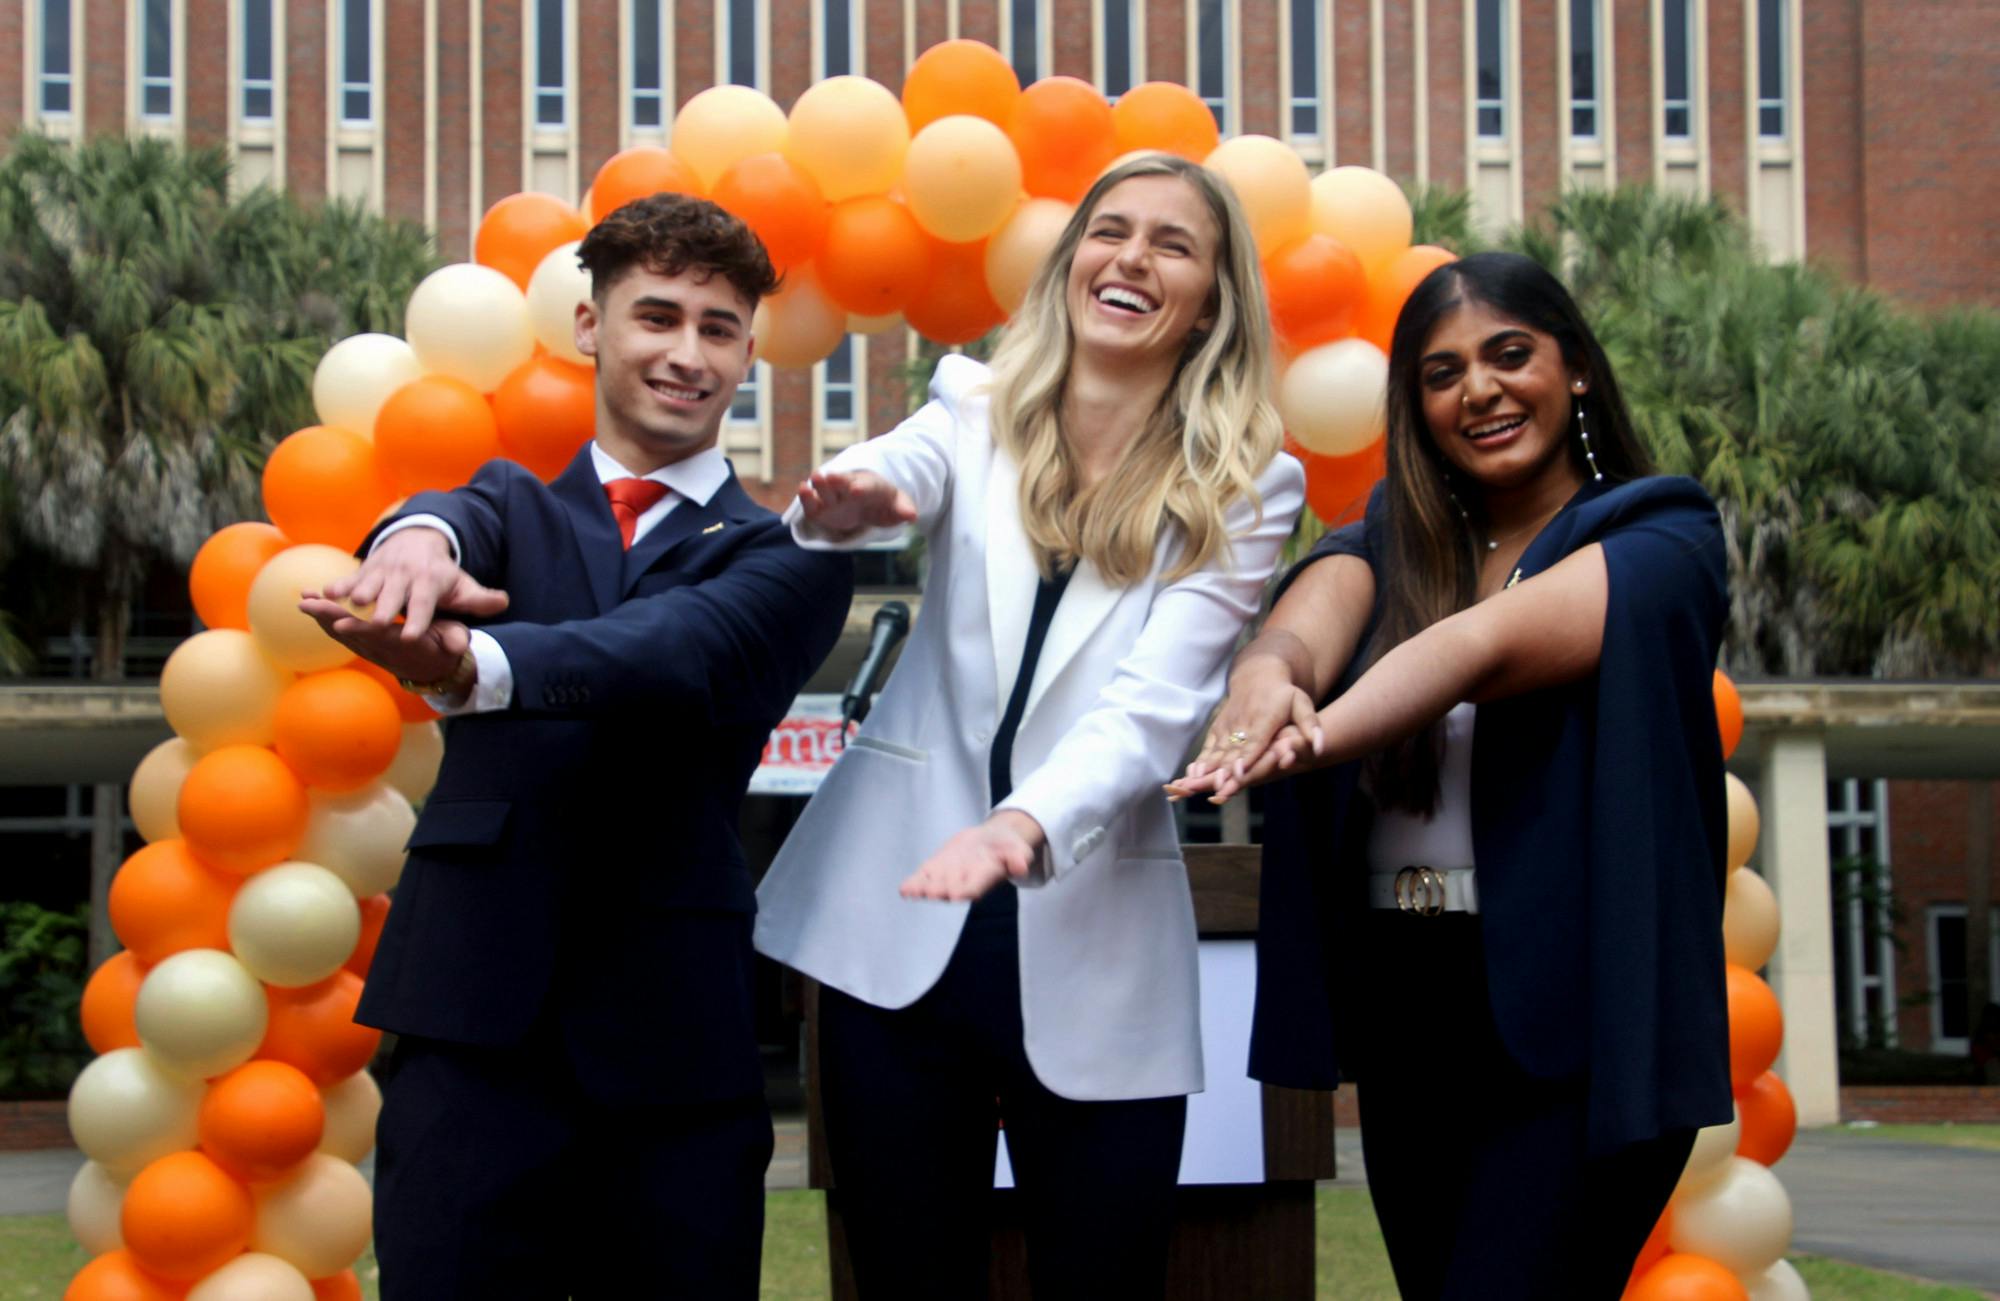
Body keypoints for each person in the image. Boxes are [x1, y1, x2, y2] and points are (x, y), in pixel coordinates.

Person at [752, 153, 1304, 1298]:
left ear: (1210, 301)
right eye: (1110, 230)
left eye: (1172, 244)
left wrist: (1018, 825)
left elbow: (1154, 706)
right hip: (892, 929)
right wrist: (855, 498)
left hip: (1098, 939)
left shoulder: (1251, 484)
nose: (1130, 258)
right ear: (1068, 263)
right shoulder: (970, 406)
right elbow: (893, 468)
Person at [297, 193, 853, 1299]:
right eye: (658, 316)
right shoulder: (499, 504)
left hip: (673, 1044)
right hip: (469, 1021)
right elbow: (448, 516)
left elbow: (672, 651)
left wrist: (471, 665)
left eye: (718, 328)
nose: (687, 353)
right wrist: (413, 536)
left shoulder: (790, 551)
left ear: (748, 353)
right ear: (590, 325)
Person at [1172, 251, 1732, 1299]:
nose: (1478, 388)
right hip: (1411, 1001)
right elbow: (1305, 619)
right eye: (1441, 373)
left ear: (1574, 368)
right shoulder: (1395, 540)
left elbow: (1478, 647)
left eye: (1508, 354)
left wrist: (1312, 736)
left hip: (1574, 1012)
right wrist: (1264, 679)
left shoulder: (1664, 532)